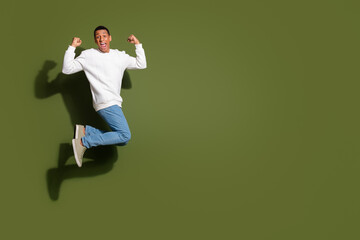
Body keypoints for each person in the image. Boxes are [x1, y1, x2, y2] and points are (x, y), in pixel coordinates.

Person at [62, 26, 147, 167]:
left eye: (104, 36)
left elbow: (141, 64)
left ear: (109, 38)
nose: (101, 39)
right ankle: (84, 142)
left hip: (114, 102)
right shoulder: (88, 55)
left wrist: (137, 45)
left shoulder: (120, 56)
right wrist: (72, 48)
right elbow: (67, 68)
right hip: (105, 102)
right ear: (95, 40)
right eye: (98, 37)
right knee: (125, 135)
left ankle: (85, 131)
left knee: (123, 139)